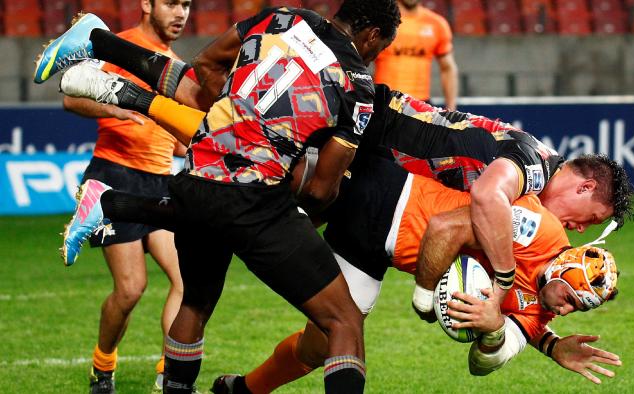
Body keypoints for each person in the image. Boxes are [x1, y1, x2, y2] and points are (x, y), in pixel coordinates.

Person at [38, 3, 402, 393]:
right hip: (256, 197)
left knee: (195, 302)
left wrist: (229, 116)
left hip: (196, 175)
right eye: (377, 51)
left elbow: (204, 67)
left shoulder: (285, 17)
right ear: (372, 36)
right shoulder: (359, 87)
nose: (372, 58)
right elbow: (319, 189)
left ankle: (99, 45)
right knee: (343, 319)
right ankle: (110, 182)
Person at [210, 154, 623, 393]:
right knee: (258, 172)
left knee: (324, 343)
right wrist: (426, 294)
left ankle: (243, 391)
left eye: (577, 309)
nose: (567, 311)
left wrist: (505, 332)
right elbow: (448, 226)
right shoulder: (539, 222)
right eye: (571, 299)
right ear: (564, 271)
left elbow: (484, 363)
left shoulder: (542, 311)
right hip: (387, 195)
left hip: (376, 251)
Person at [56, 2, 190, 393]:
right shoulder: (121, 48)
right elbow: (71, 96)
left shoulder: (176, 67)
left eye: (186, 4)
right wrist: (118, 110)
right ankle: (103, 367)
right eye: (171, 3)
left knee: (187, 281)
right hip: (114, 177)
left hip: (160, 182)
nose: (180, 12)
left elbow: (173, 140)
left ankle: (171, 376)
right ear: (147, 5)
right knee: (131, 288)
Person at [373, 0, 458, 110]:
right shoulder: (381, 21)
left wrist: (451, 108)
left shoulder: (437, 24)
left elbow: (448, 68)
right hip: (383, 103)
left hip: (420, 106)